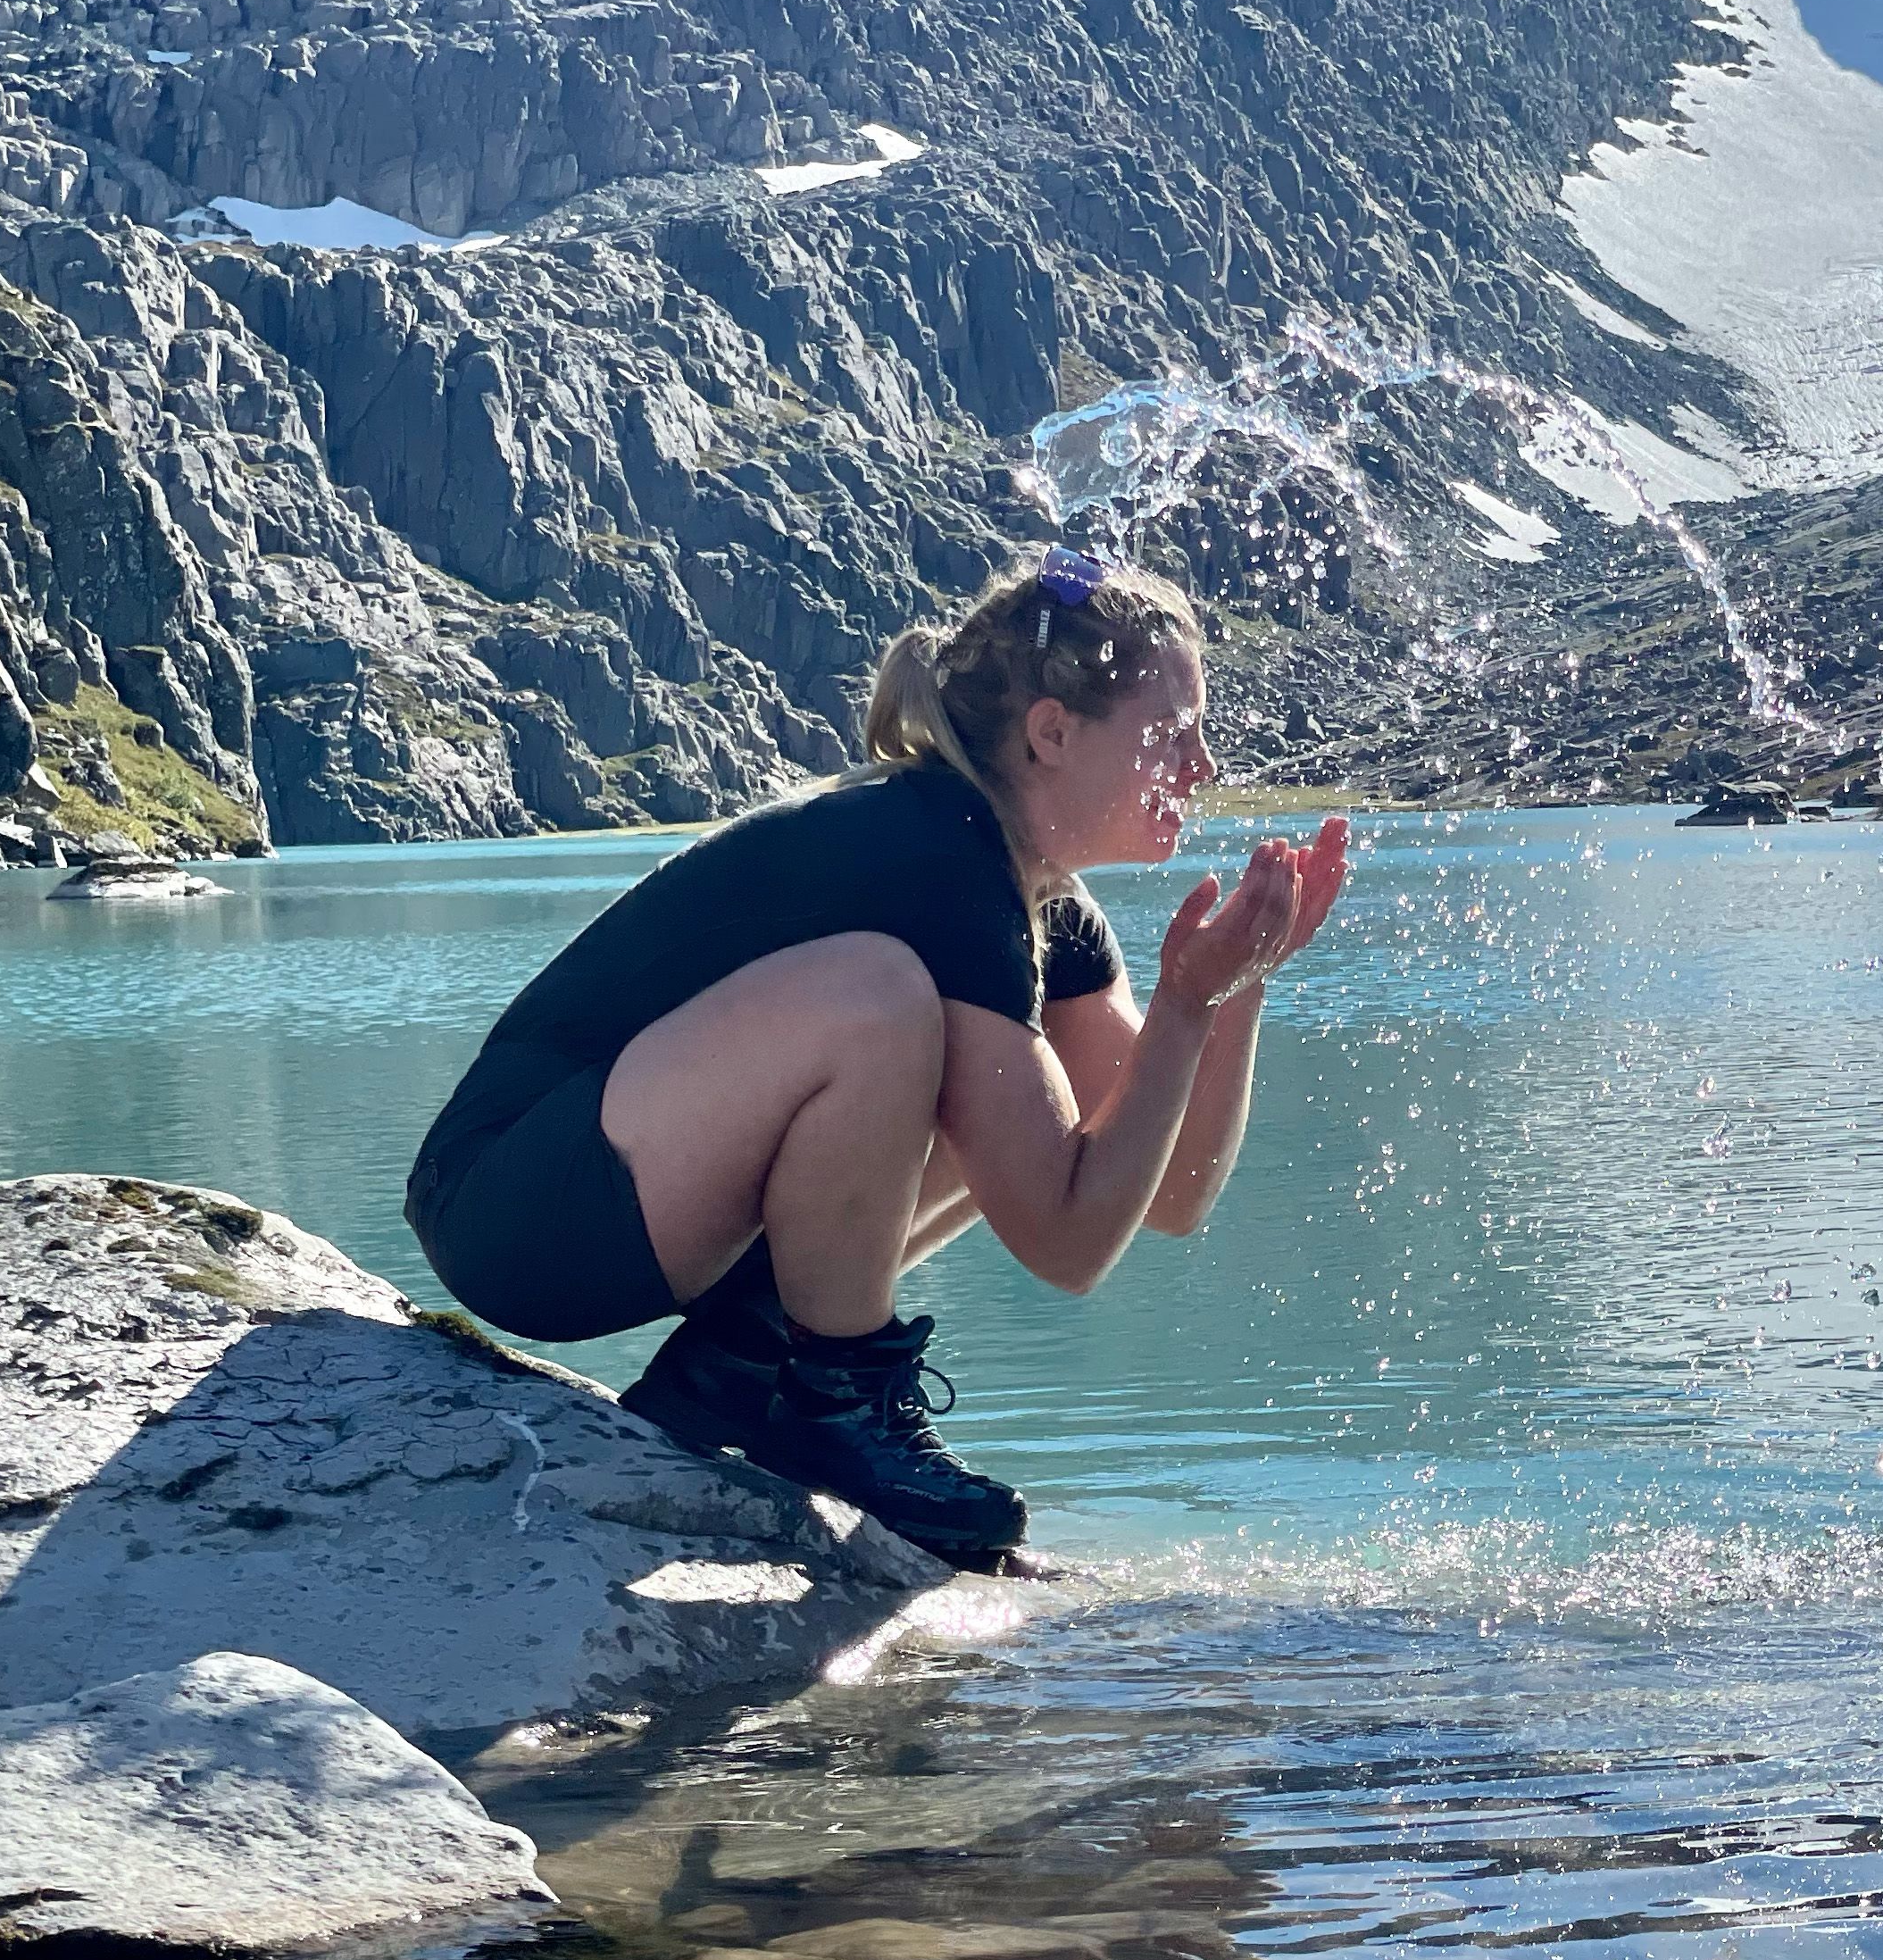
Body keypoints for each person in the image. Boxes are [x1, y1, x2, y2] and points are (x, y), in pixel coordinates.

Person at [404, 545, 1349, 1566]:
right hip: (514, 1205)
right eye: (1173, 733)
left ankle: (746, 1358)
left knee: (1003, 1081)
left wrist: (1234, 989)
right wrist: (1179, 1003)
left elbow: (1166, 1192)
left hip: (610, 1189)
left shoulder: (1040, 903)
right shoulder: (938, 851)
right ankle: (834, 1406)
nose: (1202, 767)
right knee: (881, 998)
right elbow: (1068, 1244)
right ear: (1053, 733)